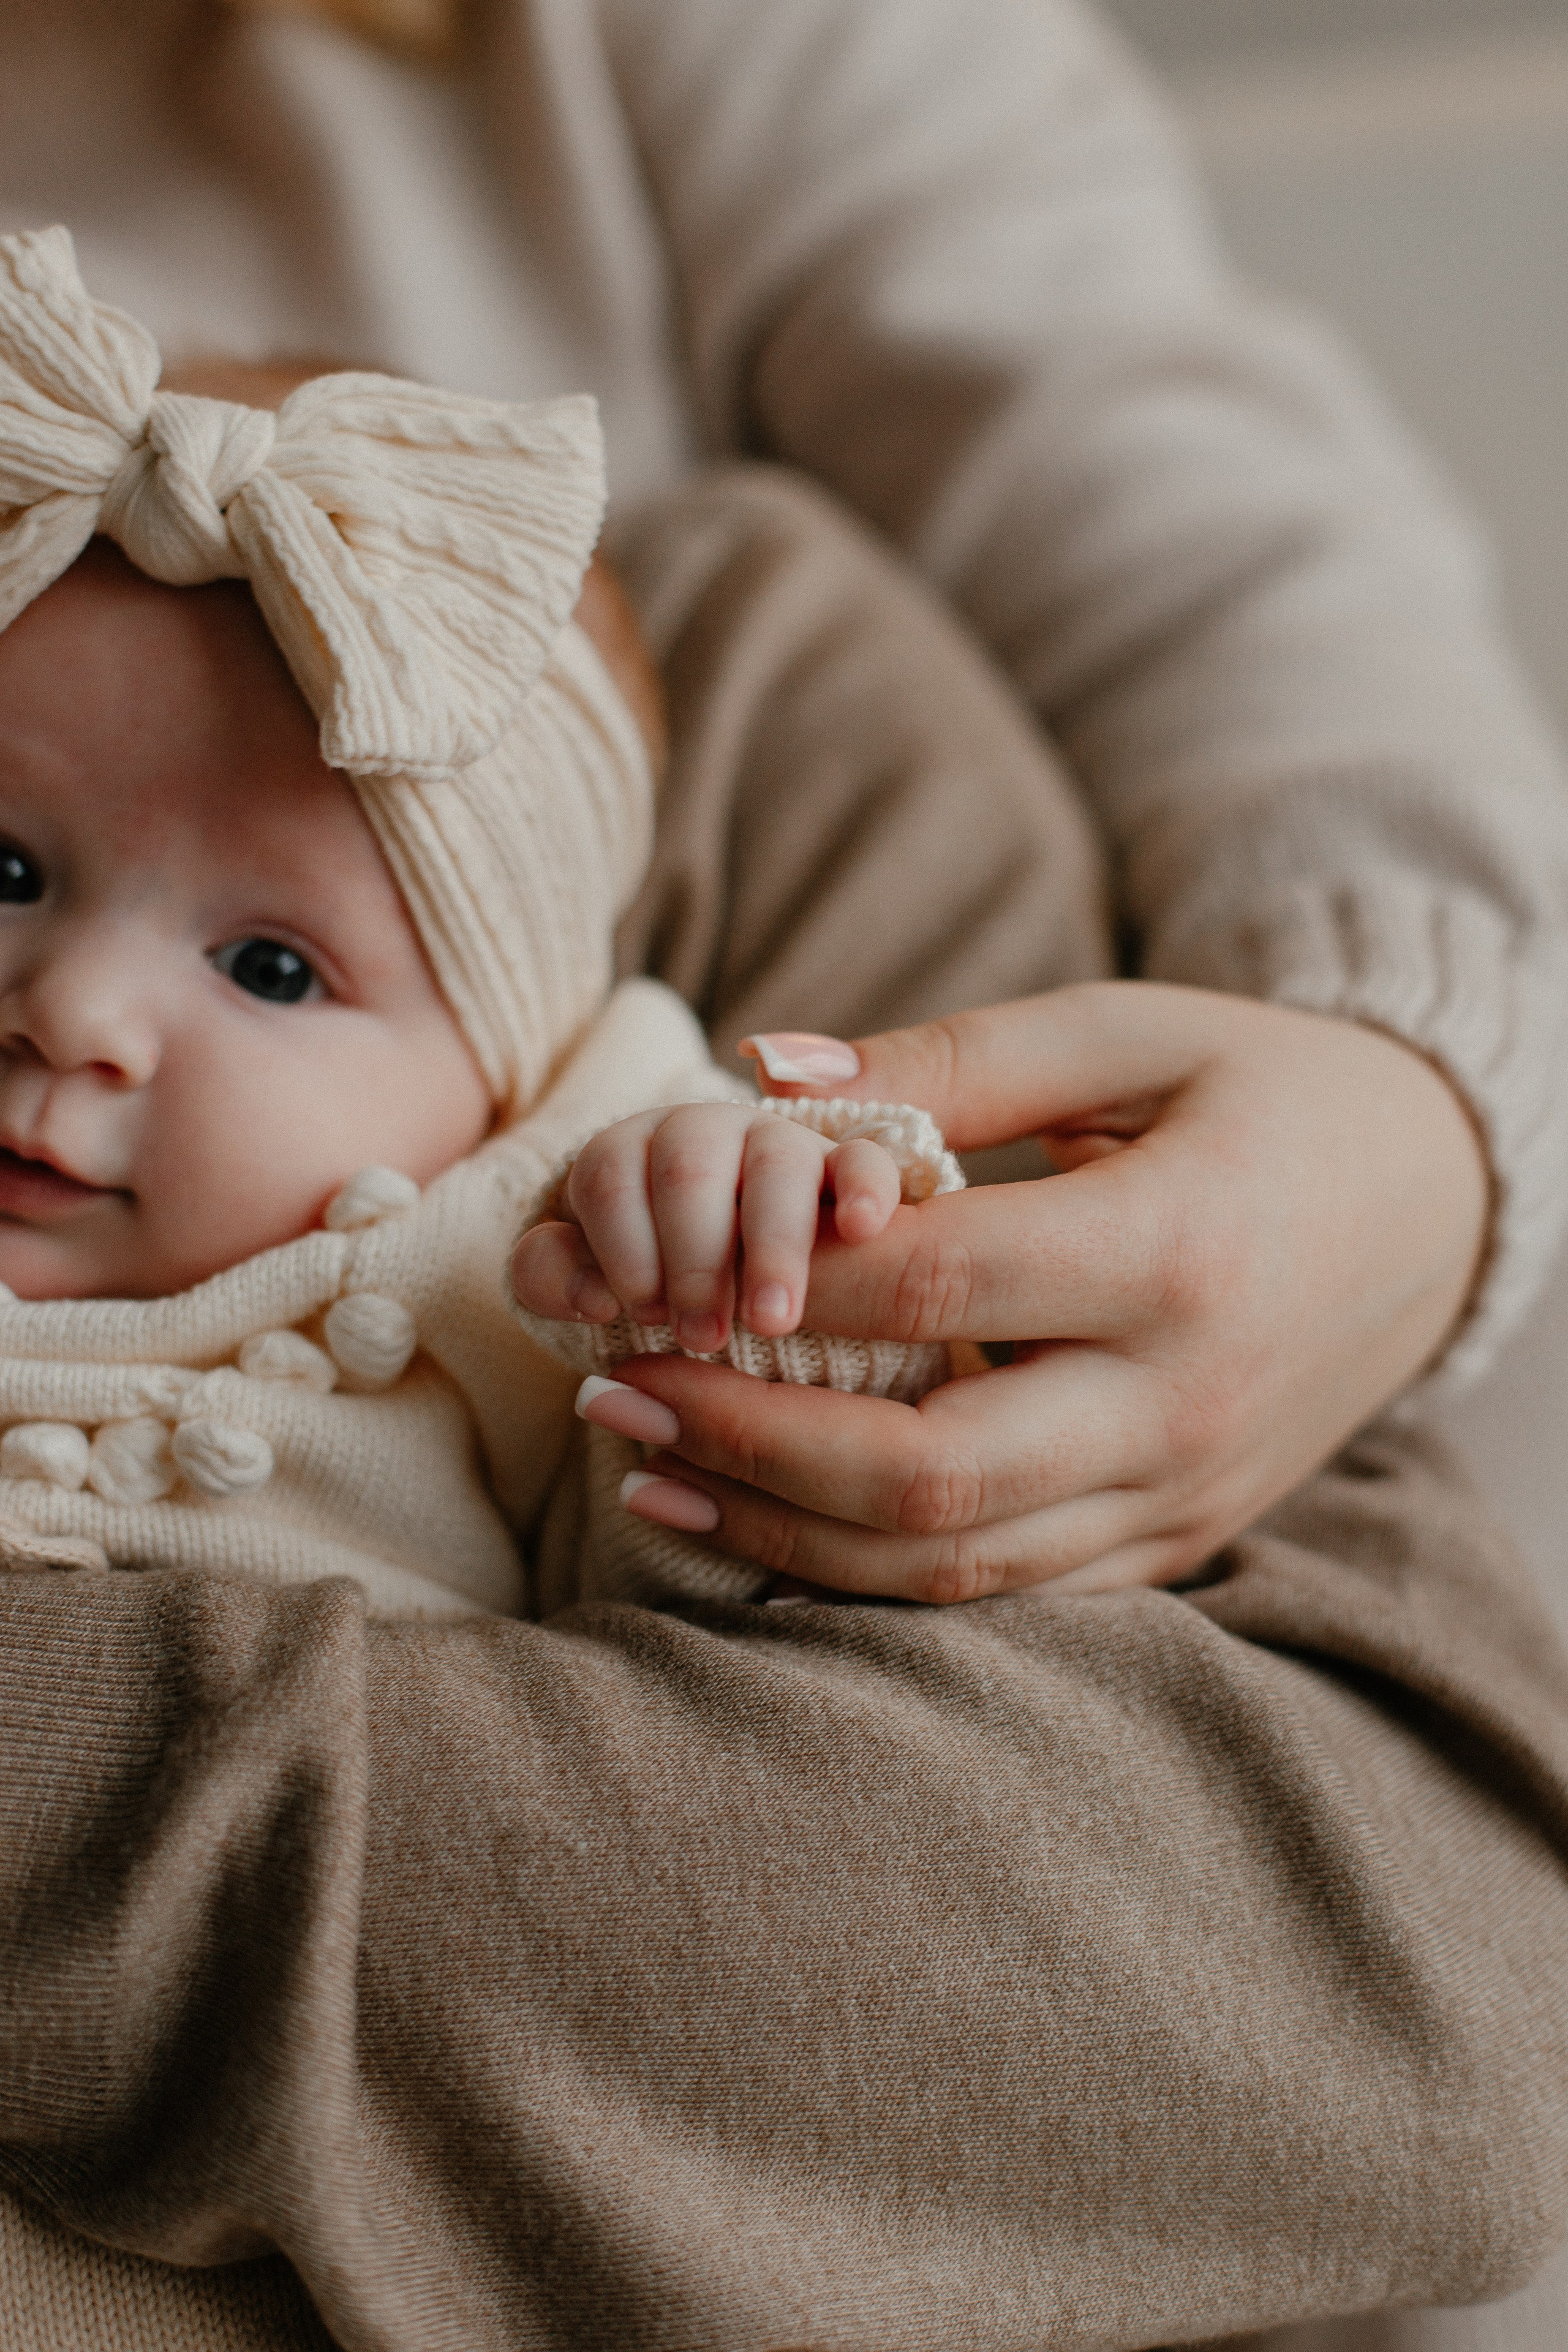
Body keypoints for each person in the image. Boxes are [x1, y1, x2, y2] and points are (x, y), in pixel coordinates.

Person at [2, 4, 1568, 2349]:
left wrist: (1407, 1110)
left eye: (265, 966)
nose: (79, 1021)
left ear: (501, 1071)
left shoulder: (545, 1214)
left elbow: (1221, 550)